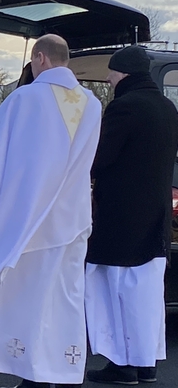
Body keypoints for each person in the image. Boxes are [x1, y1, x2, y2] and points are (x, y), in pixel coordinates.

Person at [0, 34, 102, 388]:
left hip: (28, 219)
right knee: (59, 300)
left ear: (40, 58)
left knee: (21, 300)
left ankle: (30, 373)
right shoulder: (92, 104)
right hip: (72, 220)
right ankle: (53, 371)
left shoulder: (25, 98)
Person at [84, 45, 178, 385]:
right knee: (147, 296)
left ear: (122, 73)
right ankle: (146, 362)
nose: (108, 79)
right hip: (156, 219)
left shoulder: (125, 107)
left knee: (116, 293)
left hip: (121, 220)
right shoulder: (167, 107)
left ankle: (122, 365)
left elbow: (101, 157)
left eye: (110, 72)